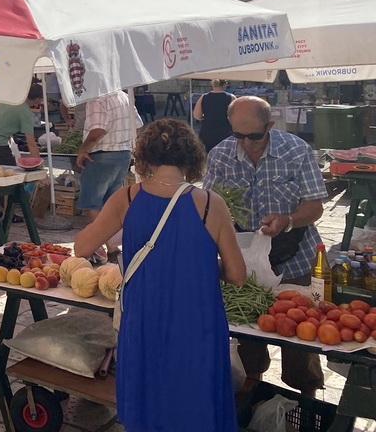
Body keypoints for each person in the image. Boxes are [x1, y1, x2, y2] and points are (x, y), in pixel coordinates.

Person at [75, 119, 245, 432]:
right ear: (192, 158)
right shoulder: (211, 204)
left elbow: (81, 246)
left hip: (143, 321)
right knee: (196, 404)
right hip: (198, 324)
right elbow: (237, 274)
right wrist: (197, 264)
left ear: (143, 157)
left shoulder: (126, 198)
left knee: (149, 402)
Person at [203, 95, 327, 397]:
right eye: (238, 135)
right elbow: (209, 204)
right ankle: (251, 392)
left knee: (301, 332)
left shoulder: (296, 151)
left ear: (269, 125)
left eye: (254, 136)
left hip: (294, 254)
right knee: (248, 333)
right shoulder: (220, 155)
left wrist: (287, 220)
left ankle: (306, 400)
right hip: (245, 257)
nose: (246, 143)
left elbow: (315, 206)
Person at [75, 89, 135, 245]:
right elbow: (138, 126)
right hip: (123, 155)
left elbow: (97, 131)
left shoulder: (97, 99)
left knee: (91, 204)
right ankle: (118, 243)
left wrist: (82, 149)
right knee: (111, 205)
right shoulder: (124, 96)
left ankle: (110, 246)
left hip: (102, 156)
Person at [0, 81, 41, 165]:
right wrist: (39, 166)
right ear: (37, 99)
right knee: (10, 170)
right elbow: (31, 143)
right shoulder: (26, 113)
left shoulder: (13, 98)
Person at [193, 79, 235, 151]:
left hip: (207, 131)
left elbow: (196, 115)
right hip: (225, 131)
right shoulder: (231, 97)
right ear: (225, 84)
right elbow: (236, 116)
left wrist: (207, 117)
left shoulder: (204, 97)